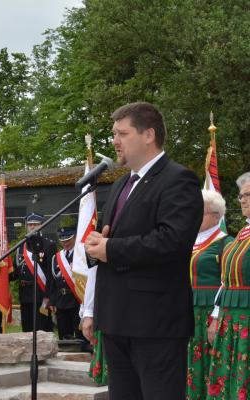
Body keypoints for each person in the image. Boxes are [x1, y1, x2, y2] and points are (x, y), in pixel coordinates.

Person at [84, 102, 203, 400]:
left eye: (122, 133)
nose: (114, 141)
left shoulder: (178, 180)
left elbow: (171, 241)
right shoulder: (123, 183)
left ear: (148, 135)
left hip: (155, 323)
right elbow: (106, 238)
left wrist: (111, 249)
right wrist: (95, 246)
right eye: (114, 134)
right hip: (116, 319)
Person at [184, 190, 232, 400]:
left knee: (208, 363)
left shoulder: (225, 243)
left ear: (215, 216)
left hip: (209, 312)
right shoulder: (188, 240)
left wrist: (216, 316)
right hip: (185, 311)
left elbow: (227, 282)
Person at [206, 172, 250, 400]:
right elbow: (225, 281)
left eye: (248, 195)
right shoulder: (241, 234)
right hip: (230, 318)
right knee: (230, 378)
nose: (242, 199)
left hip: (246, 319)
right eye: (242, 195)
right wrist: (216, 315)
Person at [12, 213, 56, 333]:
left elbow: (51, 275)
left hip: (41, 294)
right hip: (25, 292)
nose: (32, 227)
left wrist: (48, 296)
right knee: (27, 328)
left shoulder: (49, 245)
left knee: (42, 328)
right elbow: (16, 272)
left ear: (42, 226)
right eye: (30, 225)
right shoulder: (21, 246)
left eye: (35, 225)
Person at [48, 226, 84, 341]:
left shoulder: (81, 255)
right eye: (63, 240)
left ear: (74, 238)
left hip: (76, 299)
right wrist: (52, 300)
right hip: (61, 300)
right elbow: (53, 281)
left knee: (80, 334)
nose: (65, 243)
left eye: (68, 240)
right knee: (63, 334)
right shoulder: (57, 257)